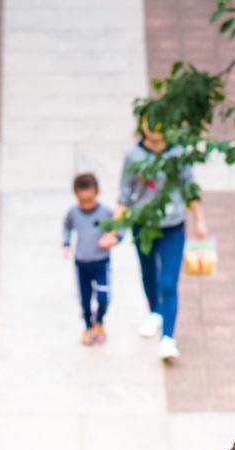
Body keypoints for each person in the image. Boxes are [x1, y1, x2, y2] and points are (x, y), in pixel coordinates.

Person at [116, 115, 208, 363]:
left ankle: (168, 337)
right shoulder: (134, 156)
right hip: (143, 224)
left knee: (168, 281)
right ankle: (155, 312)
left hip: (172, 225)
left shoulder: (178, 154)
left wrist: (199, 219)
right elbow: (125, 193)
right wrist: (115, 227)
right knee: (148, 274)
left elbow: (190, 187)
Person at [61, 173, 123, 346]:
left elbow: (119, 229)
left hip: (101, 262)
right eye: (83, 201)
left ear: (97, 193)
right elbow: (66, 227)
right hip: (82, 262)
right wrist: (66, 244)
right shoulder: (73, 213)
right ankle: (88, 326)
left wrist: (114, 239)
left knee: (104, 297)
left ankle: (99, 321)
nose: (87, 205)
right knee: (85, 298)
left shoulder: (106, 212)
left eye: (90, 200)